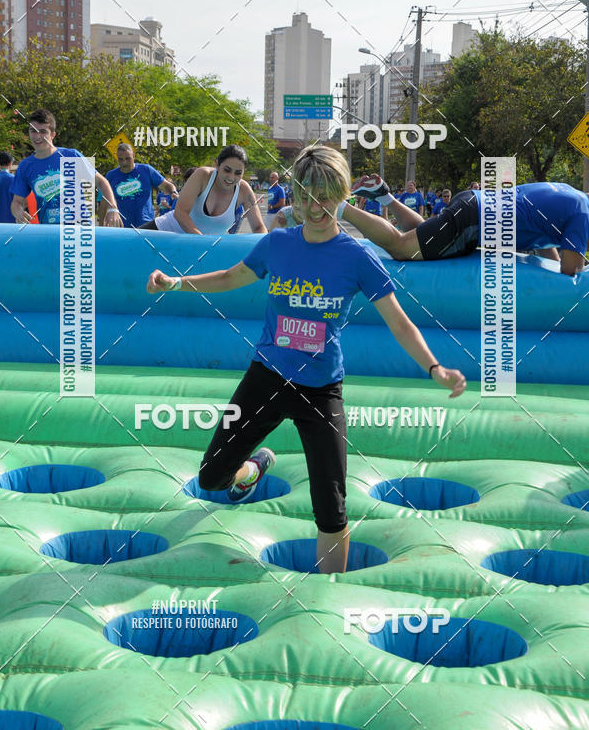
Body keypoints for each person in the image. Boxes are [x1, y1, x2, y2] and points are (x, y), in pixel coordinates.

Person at [146, 146, 466, 574]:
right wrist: (175, 283)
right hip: (266, 379)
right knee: (211, 478)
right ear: (295, 196)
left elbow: (399, 321)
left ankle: (329, 597)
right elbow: (229, 277)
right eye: (307, 196)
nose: (317, 207)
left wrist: (434, 367)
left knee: (331, 510)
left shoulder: (357, 257)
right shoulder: (277, 244)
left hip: (320, 391)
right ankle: (252, 469)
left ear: (343, 196)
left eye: (327, 196)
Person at [345, 175, 589, 276]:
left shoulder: (572, 195)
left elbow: (545, 243)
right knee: (401, 248)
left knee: (423, 233)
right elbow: (572, 271)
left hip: (473, 203)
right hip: (475, 220)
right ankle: (339, 207)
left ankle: (384, 196)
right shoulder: (582, 214)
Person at [10, 109, 122, 226]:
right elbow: (17, 202)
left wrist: (113, 208)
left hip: (80, 230)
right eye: (33, 131)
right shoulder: (25, 166)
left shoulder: (71, 155)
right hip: (48, 231)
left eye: (43, 132)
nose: (37, 136)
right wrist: (18, 213)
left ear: (53, 135)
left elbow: (101, 182)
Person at [141, 146, 266, 235]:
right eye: (227, 170)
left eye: (238, 173)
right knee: (129, 245)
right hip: (167, 231)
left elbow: (259, 227)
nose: (231, 177)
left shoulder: (244, 191)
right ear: (217, 165)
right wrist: (202, 242)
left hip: (201, 247)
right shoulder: (203, 175)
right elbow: (180, 212)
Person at [105, 144, 177, 228]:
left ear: (133, 156)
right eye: (121, 159)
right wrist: (102, 223)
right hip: (123, 226)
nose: (124, 162)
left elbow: (167, 185)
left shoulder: (146, 170)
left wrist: (174, 192)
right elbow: (105, 200)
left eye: (127, 158)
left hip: (146, 224)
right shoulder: (111, 176)